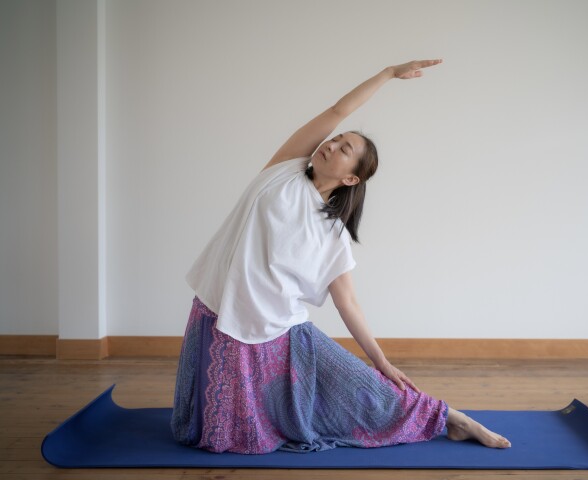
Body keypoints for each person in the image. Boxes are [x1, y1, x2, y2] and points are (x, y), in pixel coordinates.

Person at [171, 58, 511, 453]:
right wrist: (387, 74)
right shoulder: (284, 168)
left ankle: (453, 418)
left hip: (277, 327)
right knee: (208, 433)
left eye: (344, 148)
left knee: (363, 388)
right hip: (219, 308)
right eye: (335, 140)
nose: (330, 144)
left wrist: (381, 361)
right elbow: (337, 111)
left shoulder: (332, 234)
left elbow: (347, 302)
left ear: (351, 178)